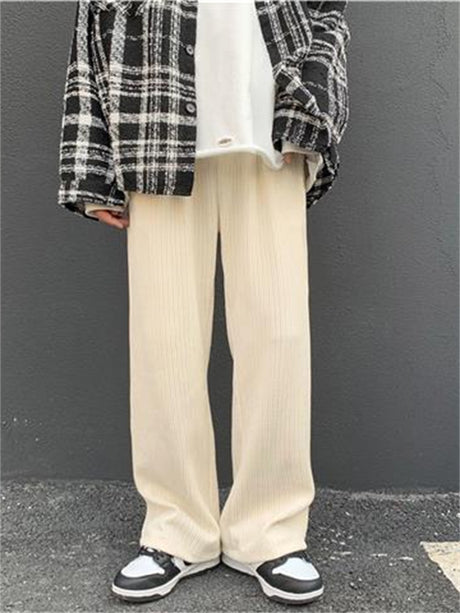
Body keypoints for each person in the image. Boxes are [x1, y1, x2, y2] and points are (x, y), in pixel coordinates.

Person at [58, 0, 350, 605]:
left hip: (270, 135)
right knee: (163, 343)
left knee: (279, 338)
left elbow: (328, 15)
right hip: (153, 129)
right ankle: (175, 529)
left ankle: (271, 532)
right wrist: (90, 166)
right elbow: (93, 25)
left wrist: (312, 108)